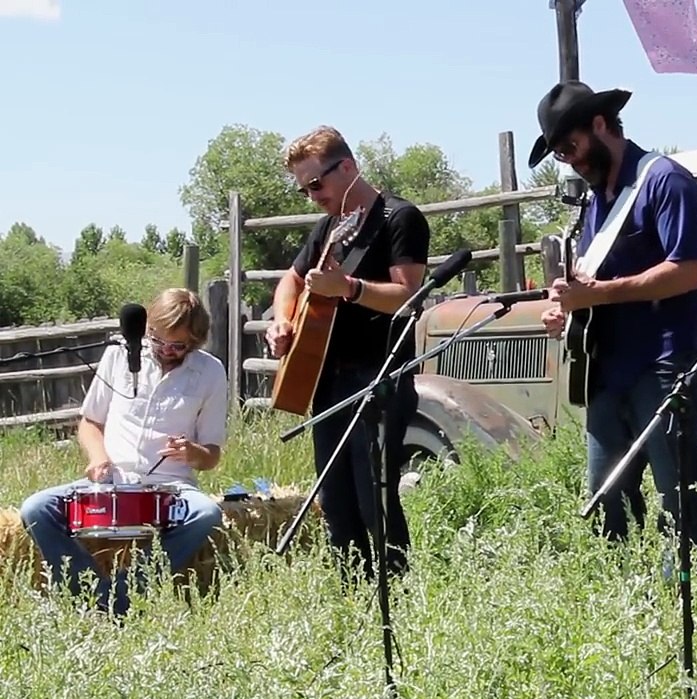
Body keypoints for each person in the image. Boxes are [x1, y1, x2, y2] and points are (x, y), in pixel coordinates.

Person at [529, 81, 697, 562]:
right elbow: (596, 287)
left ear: (599, 124)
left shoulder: (664, 180)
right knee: (606, 498)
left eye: (570, 147)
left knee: (680, 500)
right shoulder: (595, 202)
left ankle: (687, 602)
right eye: (559, 153)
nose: (568, 159)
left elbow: (688, 271)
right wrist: (568, 310)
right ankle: (626, 602)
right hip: (607, 373)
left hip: (666, 366)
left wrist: (598, 294)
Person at [265, 125, 429, 583]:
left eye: (316, 184)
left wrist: (350, 289)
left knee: (373, 497)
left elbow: (408, 296)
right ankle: (351, 597)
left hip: (379, 377)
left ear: (349, 167)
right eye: (303, 188)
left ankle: (394, 598)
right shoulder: (327, 227)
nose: (311, 195)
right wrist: (282, 320)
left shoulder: (400, 219)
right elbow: (290, 282)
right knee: (336, 503)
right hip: (327, 380)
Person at [20, 288, 228, 617]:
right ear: (148, 330)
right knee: (35, 508)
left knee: (207, 514)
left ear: (196, 340)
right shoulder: (119, 354)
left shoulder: (212, 372)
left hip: (171, 487)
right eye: (159, 341)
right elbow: (90, 422)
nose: (167, 351)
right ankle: (91, 591)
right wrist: (97, 457)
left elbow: (212, 455)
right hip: (111, 479)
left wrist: (192, 452)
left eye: (179, 345)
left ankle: (124, 594)